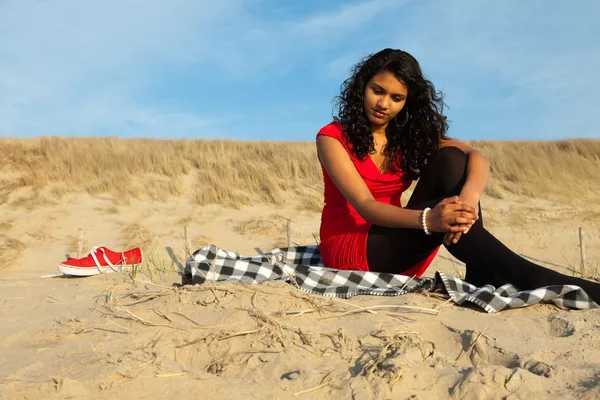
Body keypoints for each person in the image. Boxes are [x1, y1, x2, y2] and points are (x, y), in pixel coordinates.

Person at [316, 48, 600, 304]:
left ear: (407, 102)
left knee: (451, 159)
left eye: (396, 97)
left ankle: (485, 271)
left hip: (398, 243)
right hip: (352, 249)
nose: (384, 103)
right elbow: (366, 206)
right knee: (447, 201)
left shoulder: (404, 138)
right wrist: (430, 219)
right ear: (362, 87)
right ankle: (540, 280)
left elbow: (478, 157)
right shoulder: (332, 137)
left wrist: (467, 201)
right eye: (377, 91)